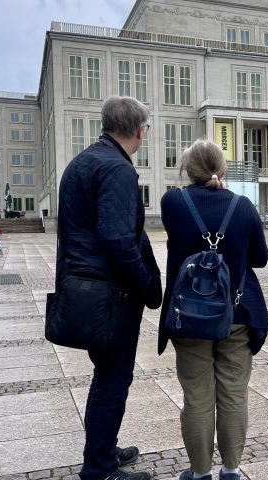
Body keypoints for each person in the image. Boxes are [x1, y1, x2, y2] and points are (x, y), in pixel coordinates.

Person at [56, 96, 162, 480]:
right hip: (111, 295)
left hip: (86, 289)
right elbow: (118, 239)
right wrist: (148, 284)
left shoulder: (84, 160)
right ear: (139, 130)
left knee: (105, 377)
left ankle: (103, 449)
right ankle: (99, 469)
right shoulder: (116, 168)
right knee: (113, 380)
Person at [159, 140, 268, 480]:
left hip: (189, 317)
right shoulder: (243, 205)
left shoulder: (172, 202)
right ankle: (232, 470)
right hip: (236, 315)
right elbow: (260, 260)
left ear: (186, 170)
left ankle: (200, 473)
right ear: (223, 169)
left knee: (197, 397)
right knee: (234, 393)